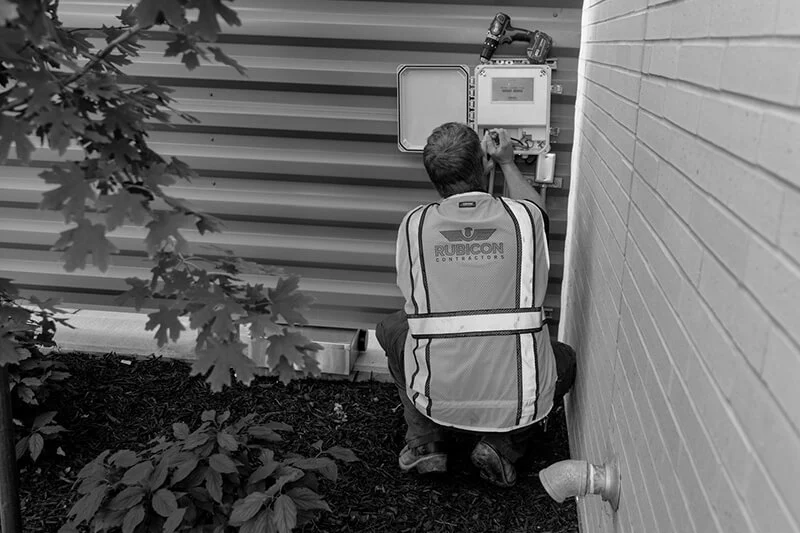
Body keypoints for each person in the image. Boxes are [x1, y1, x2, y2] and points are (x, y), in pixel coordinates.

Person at [376, 122, 577, 488]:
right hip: (516, 398)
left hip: (437, 396)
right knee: (563, 360)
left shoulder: (413, 225)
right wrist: (507, 163)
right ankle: (502, 445)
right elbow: (535, 209)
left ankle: (425, 442)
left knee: (391, 328)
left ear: (433, 177)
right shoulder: (524, 219)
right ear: (482, 165)